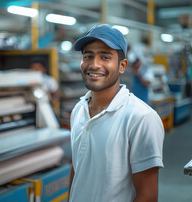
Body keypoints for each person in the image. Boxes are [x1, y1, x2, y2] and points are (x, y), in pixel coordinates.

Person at [69, 24, 164, 202]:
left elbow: (148, 196)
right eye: (88, 56)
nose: (94, 64)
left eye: (105, 57)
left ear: (122, 66)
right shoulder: (79, 110)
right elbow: (77, 169)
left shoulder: (141, 118)